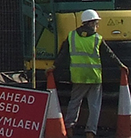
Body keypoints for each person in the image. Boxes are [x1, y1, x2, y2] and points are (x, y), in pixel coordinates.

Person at [53, 9, 126, 138]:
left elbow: (63, 54)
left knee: (74, 102)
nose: (97, 26)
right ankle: (90, 131)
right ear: (91, 23)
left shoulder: (72, 36)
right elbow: (109, 54)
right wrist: (120, 65)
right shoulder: (97, 38)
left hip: (78, 76)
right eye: (96, 23)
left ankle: (69, 127)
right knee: (94, 106)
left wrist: (53, 67)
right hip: (94, 77)